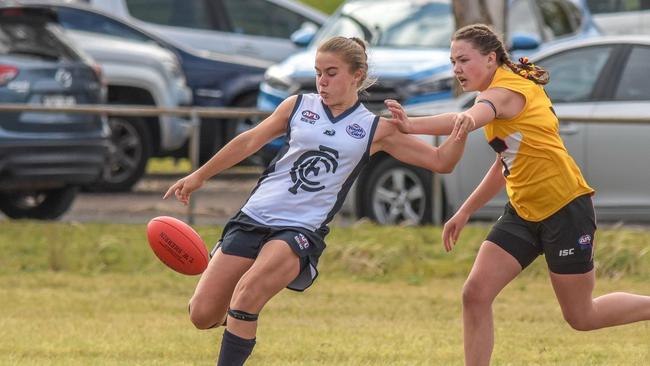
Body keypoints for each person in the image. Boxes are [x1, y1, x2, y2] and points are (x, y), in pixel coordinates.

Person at [163, 36, 469, 366]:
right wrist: (199, 176)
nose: (322, 81)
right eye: (318, 72)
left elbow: (441, 162)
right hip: (254, 216)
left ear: (357, 74)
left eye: (331, 73)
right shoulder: (297, 106)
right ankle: (237, 322)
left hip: (300, 229)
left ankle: (239, 323)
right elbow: (249, 141)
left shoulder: (374, 128)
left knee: (247, 295)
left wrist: (462, 129)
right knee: (202, 315)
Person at [385, 23, 650, 366]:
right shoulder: (498, 90)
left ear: (491, 58)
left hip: (565, 208)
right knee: (475, 294)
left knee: (582, 317)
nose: (457, 70)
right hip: (523, 213)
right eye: (452, 62)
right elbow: (504, 163)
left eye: (463, 60)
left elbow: (469, 116)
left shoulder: (505, 91)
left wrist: (412, 124)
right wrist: (464, 211)